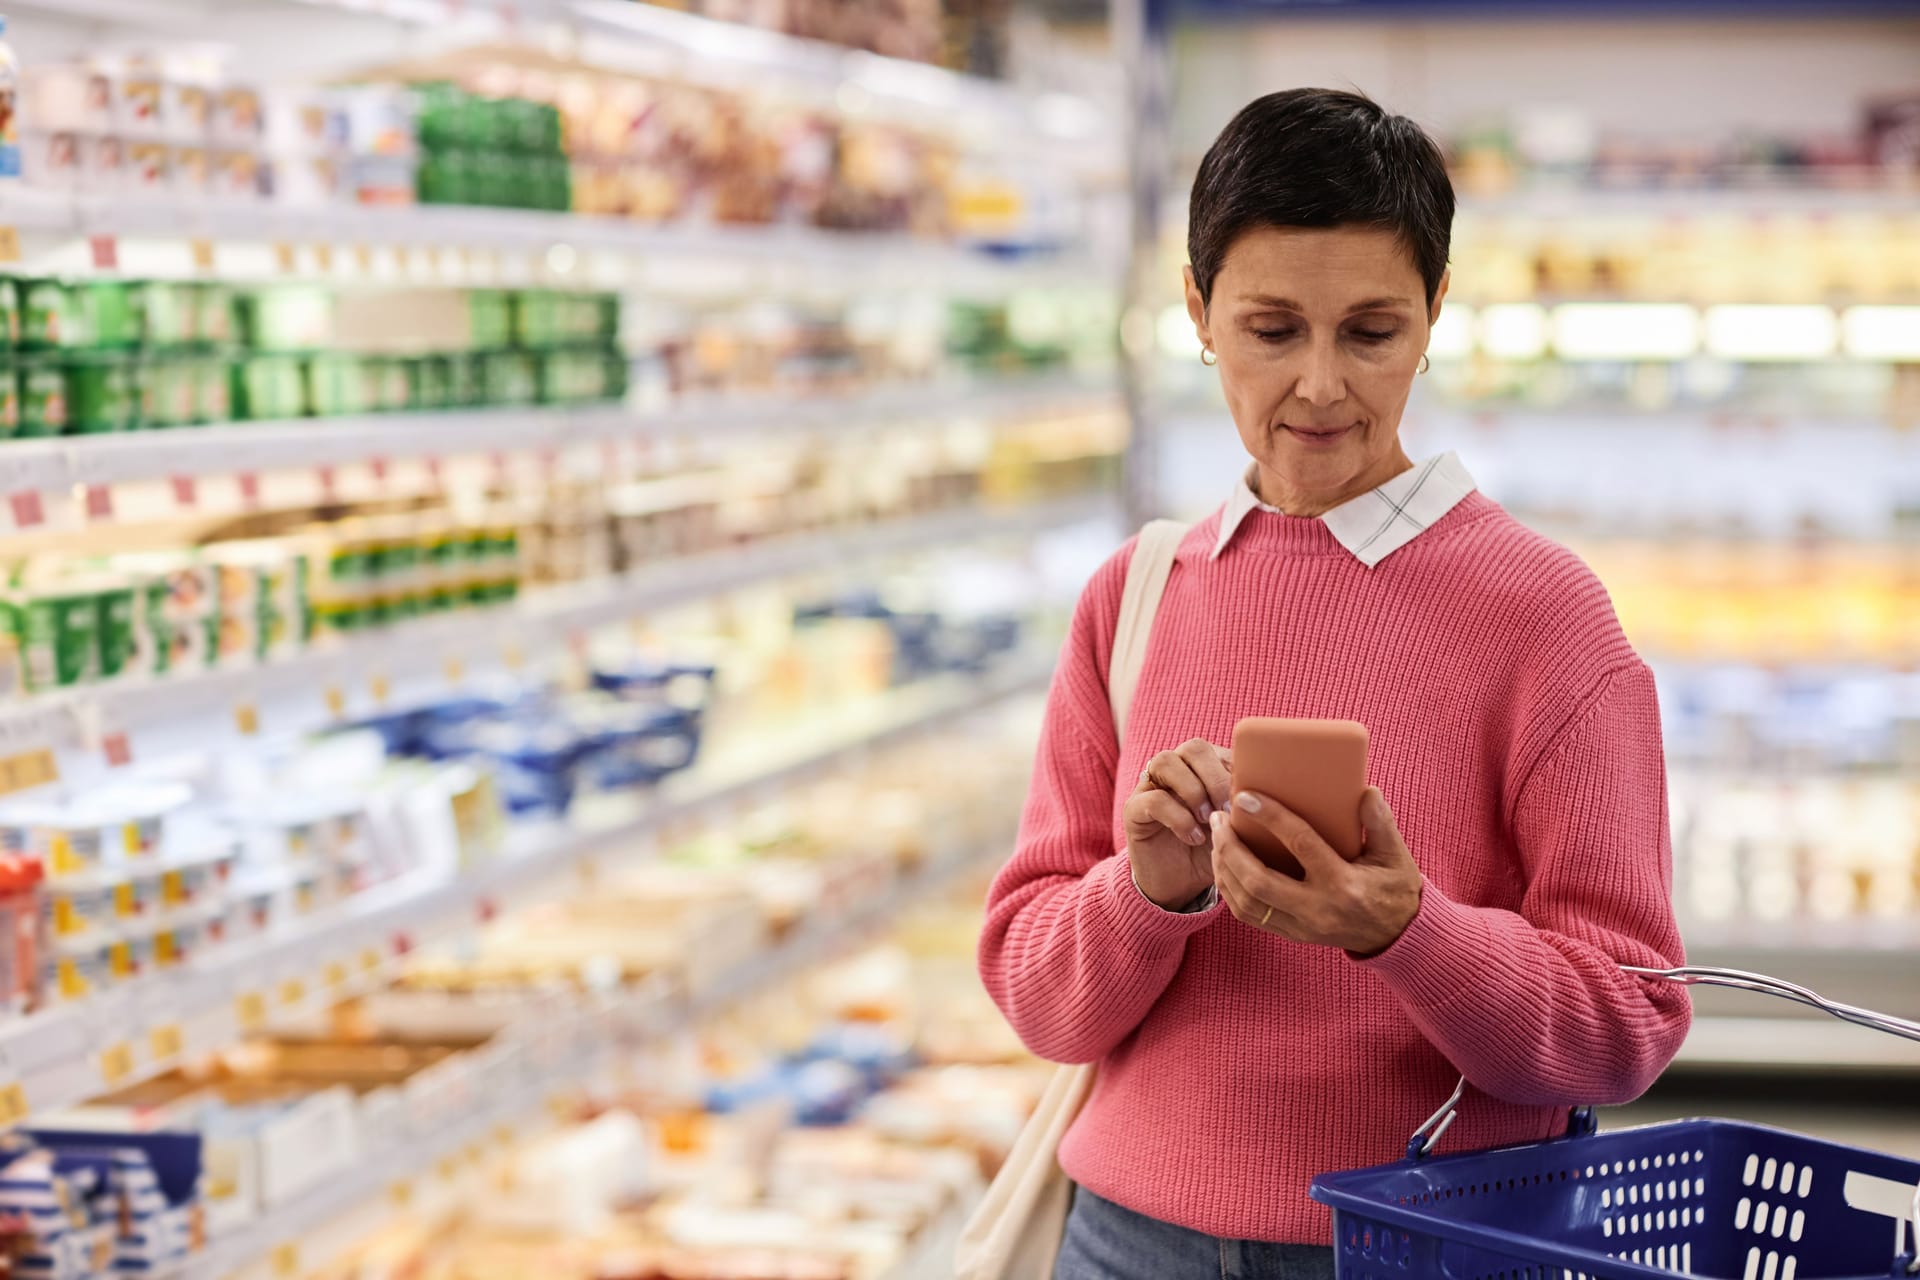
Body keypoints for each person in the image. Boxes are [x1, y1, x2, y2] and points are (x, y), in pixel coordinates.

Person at [976, 88, 1692, 1280]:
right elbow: (1041, 1000)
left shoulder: (1545, 616)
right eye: (1270, 329)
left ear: (1433, 316)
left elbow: (1627, 1023)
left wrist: (1409, 933)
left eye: (1369, 331)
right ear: (1199, 313)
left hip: (1430, 1248)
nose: (1318, 386)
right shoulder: (1134, 595)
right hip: (1125, 1246)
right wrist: (1144, 892)